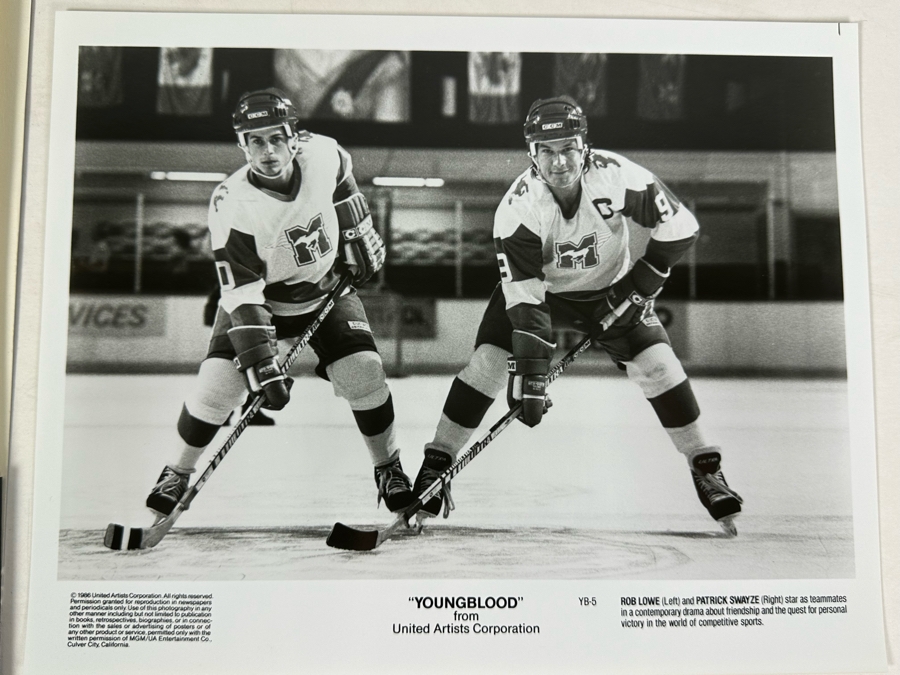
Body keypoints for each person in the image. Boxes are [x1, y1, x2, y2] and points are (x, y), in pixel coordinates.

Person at [412, 96, 743, 535]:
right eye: (546, 151)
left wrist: (640, 282)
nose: (559, 161)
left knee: (660, 368)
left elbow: (680, 225)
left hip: (612, 292)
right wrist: (530, 375)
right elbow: (526, 298)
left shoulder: (616, 175)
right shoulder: (518, 208)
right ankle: (435, 468)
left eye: (567, 147)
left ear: (584, 145)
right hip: (540, 296)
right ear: (531, 153)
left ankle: (705, 468)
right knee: (488, 365)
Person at [145, 88, 413, 517]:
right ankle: (176, 472)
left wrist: (356, 232)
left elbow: (344, 185)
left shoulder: (324, 154)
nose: (267, 151)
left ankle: (389, 467)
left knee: (365, 374)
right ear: (242, 145)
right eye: (255, 141)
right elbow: (242, 292)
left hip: (327, 290)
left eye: (275, 138)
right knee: (216, 388)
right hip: (262, 301)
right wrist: (262, 362)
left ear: (294, 136)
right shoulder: (232, 205)